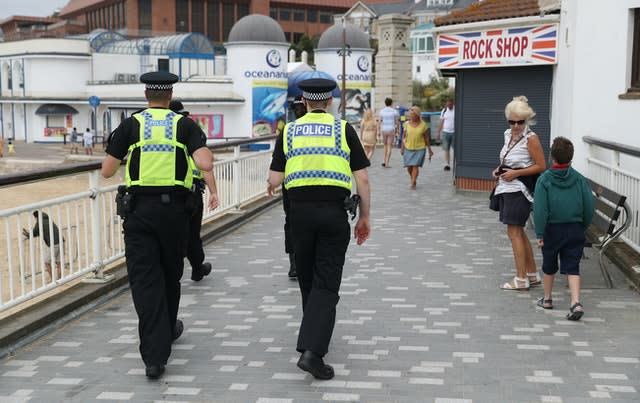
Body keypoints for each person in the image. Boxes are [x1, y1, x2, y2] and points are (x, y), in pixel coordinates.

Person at [101, 71, 213, 379]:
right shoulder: (185, 125)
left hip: (138, 214)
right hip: (174, 213)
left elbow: (108, 171)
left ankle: (154, 357)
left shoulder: (131, 125)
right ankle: (167, 329)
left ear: (146, 95)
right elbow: (204, 163)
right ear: (170, 94)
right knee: (169, 274)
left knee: (144, 280)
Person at [267, 78, 371, 380]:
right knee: (326, 283)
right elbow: (362, 179)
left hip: (299, 215)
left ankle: (311, 341)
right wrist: (365, 217)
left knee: (308, 279)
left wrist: (274, 182)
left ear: (303, 100)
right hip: (334, 213)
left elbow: (275, 180)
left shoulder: (289, 131)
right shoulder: (343, 129)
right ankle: (313, 352)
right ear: (329, 102)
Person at [533, 137, 594, 320]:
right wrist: (583, 226)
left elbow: (540, 209)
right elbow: (589, 206)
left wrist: (539, 233)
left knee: (549, 264)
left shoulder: (544, 180)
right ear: (571, 157)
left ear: (552, 156)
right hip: (575, 228)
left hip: (552, 229)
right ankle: (575, 303)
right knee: (573, 266)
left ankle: (547, 299)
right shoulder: (579, 180)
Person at [492, 95, 546, 291]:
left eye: (520, 122)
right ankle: (531, 274)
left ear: (527, 120)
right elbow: (508, 158)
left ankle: (520, 278)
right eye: (512, 121)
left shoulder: (531, 139)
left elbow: (541, 166)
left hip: (520, 190)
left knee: (513, 231)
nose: (516, 126)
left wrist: (516, 173)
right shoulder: (508, 135)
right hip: (506, 187)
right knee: (518, 232)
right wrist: (499, 169)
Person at [169, 100, 218, 282]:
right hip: (191, 192)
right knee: (191, 234)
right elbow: (206, 165)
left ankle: (173, 272)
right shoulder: (193, 131)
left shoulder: (156, 134)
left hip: (162, 193)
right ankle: (197, 267)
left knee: (172, 234)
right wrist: (214, 191)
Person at [281, 95, 308, 279]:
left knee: (292, 223)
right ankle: (296, 263)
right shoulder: (288, 130)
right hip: (307, 185)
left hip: (292, 185)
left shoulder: (288, 131)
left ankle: (296, 263)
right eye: (296, 108)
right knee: (293, 224)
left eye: (299, 107)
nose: (298, 110)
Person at [22, 211, 63, 281]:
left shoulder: (39, 222)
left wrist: (26, 234)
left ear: (36, 217)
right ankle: (60, 278)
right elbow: (38, 231)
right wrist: (29, 232)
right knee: (58, 262)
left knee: (46, 262)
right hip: (61, 241)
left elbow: (34, 233)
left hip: (54, 243)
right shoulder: (48, 219)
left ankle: (53, 279)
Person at [401, 106, 433, 189]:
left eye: (413, 115)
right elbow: (404, 137)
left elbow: (426, 138)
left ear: (417, 115)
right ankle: (413, 179)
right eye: (410, 115)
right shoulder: (407, 124)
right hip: (408, 148)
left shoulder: (423, 125)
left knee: (415, 165)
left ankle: (412, 183)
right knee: (409, 167)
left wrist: (430, 150)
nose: (411, 117)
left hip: (420, 148)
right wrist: (402, 148)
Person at [378, 97, 399, 168]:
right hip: (391, 129)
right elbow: (397, 122)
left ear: (385, 103)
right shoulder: (394, 111)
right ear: (391, 103)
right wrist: (397, 131)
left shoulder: (382, 111)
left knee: (385, 145)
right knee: (389, 146)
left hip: (384, 129)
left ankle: (384, 160)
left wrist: (378, 131)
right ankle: (387, 163)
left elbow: (379, 121)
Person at [436, 98, 455, 171]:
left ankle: (456, 164)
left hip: (454, 133)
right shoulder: (444, 111)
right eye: (448, 104)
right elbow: (441, 121)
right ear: (446, 104)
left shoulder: (456, 110)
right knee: (446, 149)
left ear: (453, 103)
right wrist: (438, 132)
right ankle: (447, 164)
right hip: (445, 132)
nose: (449, 105)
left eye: (450, 104)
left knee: (455, 149)